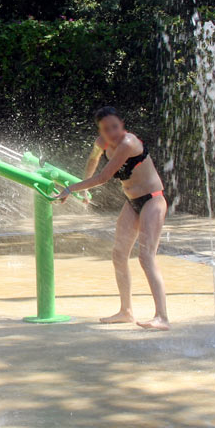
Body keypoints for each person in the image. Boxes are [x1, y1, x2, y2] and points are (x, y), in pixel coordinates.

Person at [53, 106, 170, 331]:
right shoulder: (102, 143)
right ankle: (126, 311)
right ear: (100, 131)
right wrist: (84, 188)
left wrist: (72, 188)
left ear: (122, 125)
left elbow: (104, 177)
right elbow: (93, 160)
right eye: (106, 129)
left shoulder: (128, 143)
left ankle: (162, 317)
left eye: (115, 127)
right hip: (132, 203)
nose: (112, 132)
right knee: (118, 254)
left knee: (146, 257)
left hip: (152, 201)